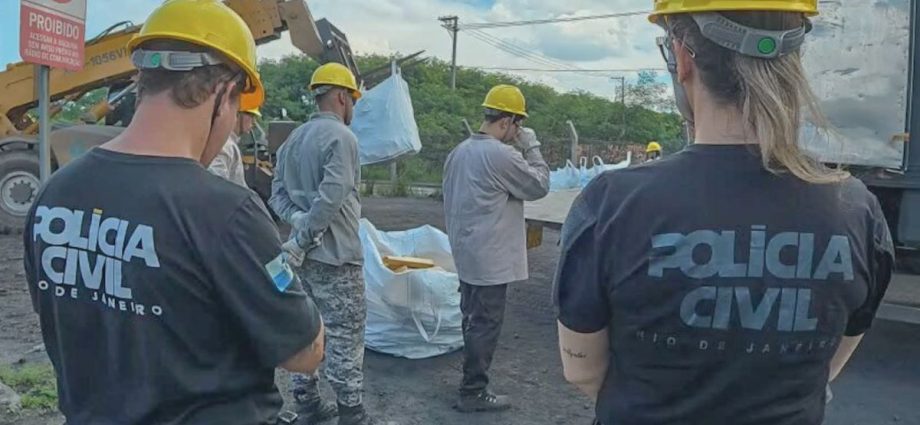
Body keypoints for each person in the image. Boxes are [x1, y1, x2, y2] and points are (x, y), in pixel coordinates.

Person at [554, 2, 895, 425]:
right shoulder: (856, 209)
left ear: (681, 57)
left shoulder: (612, 203)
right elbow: (827, 364)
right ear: (795, 58)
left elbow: (583, 370)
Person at [22, 2, 326, 424]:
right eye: (238, 106)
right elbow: (305, 352)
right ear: (224, 93)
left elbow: (66, 313)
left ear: (141, 78)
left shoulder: (54, 194)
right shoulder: (226, 211)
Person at [270, 63, 382, 425]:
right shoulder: (343, 139)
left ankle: (307, 406)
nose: (353, 107)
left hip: (303, 264)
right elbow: (331, 197)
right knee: (346, 335)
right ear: (341, 96)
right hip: (338, 261)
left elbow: (277, 195)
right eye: (353, 99)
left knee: (306, 333)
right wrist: (305, 234)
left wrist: (298, 224)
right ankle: (352, 414)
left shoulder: (293, 140)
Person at [442, 84, 550, 412]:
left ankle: (470, 383)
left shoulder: (458, 152)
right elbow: (540, 185)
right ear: (506, 123)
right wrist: (531, 146)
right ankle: (473, 390)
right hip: (490, 259)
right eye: (517, 126)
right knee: (486, 324)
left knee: (472, 319)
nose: (517, 132)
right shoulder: (501, 154)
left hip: (466, 252)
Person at [209, 108, 260, 187]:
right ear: (237, 114)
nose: (254, 122)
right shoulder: (226, 145)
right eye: (251, 115)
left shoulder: (229, 143)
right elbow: (215, 182)